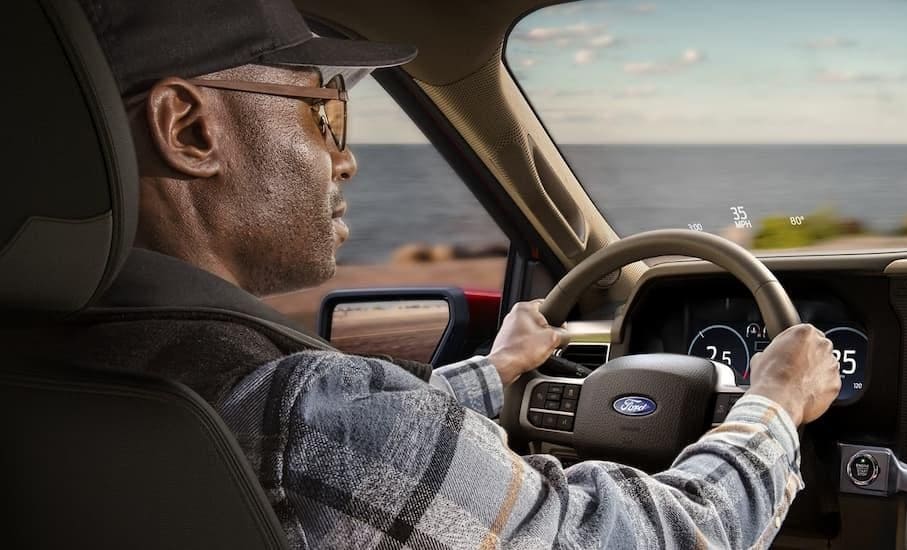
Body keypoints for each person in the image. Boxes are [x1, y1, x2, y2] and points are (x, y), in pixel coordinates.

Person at [63, 0, 843, 548]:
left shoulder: (65, 358)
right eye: (323, 110)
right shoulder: (308, 420)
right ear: (189, 129)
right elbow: (668, 535)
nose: (346, 157)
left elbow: (364, 451)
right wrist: (775, 402)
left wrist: (499, 370)